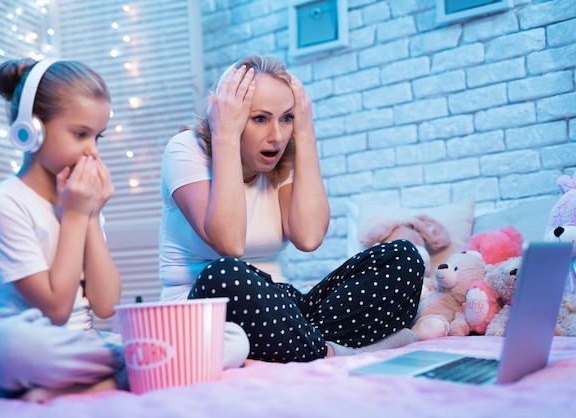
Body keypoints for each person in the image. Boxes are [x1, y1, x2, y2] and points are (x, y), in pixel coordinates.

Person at [158, 55, 424, 365]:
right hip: (207, 307)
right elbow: (229, 244)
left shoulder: (282, 154)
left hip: (283, 311)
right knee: (223, 271)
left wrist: (306, 133)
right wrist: (226, 136)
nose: (277, 135)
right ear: (226, 113)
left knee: (403, 256)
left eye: (286, 118)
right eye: (260, 118)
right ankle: (331, 350)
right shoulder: (185, 149)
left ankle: (307, 344)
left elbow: (308, 238)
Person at [0, 57, 127, 401]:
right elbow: (56, 311)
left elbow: (105, 306)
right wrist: (74, 215)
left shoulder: (79, 201)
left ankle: (86, 381)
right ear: (31, 130)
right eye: (80, 134)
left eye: (97, 137)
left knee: (229, 338)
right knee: (5, 345)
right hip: (26, 349)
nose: (93, 151)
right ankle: (126, 371)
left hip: (83, 346)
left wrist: (89, 216)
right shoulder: (4, 204)